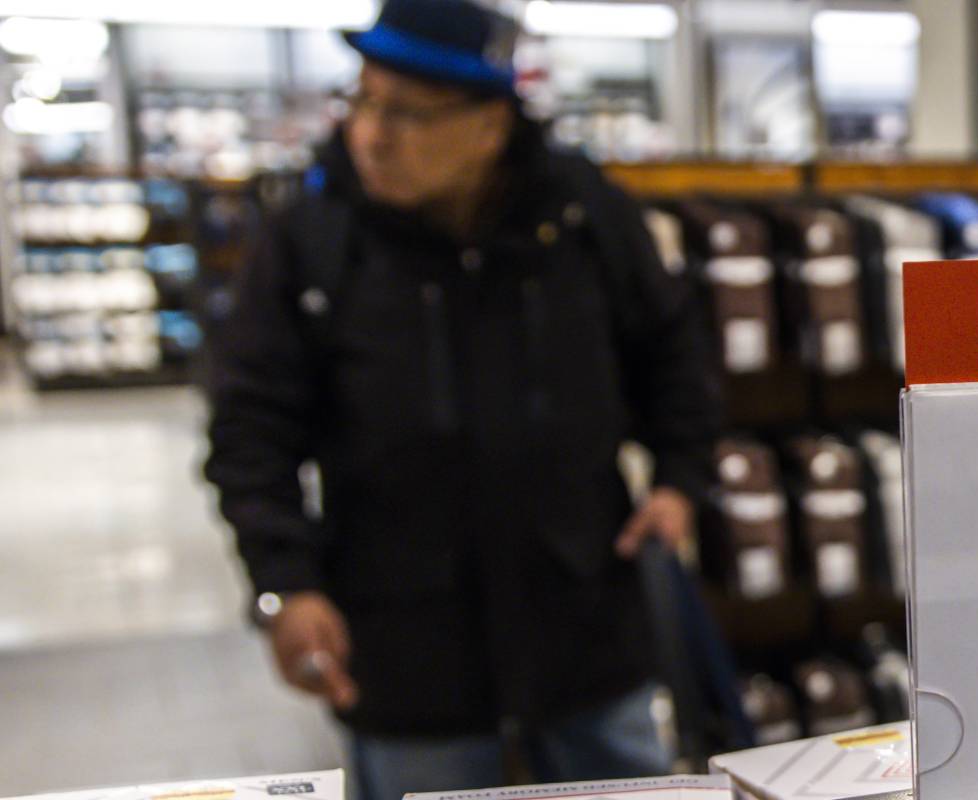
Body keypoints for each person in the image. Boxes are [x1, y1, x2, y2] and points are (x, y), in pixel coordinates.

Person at [202, 0, 721, 796]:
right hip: (406, 645)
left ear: (489, 125)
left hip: (584, 620)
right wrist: (285, 581)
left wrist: (682, 480)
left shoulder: (583, 216)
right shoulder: (311, 240)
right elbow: (249, 427)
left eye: (407, 112)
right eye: (363, 100)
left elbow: (675, 350)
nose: (371, 134)